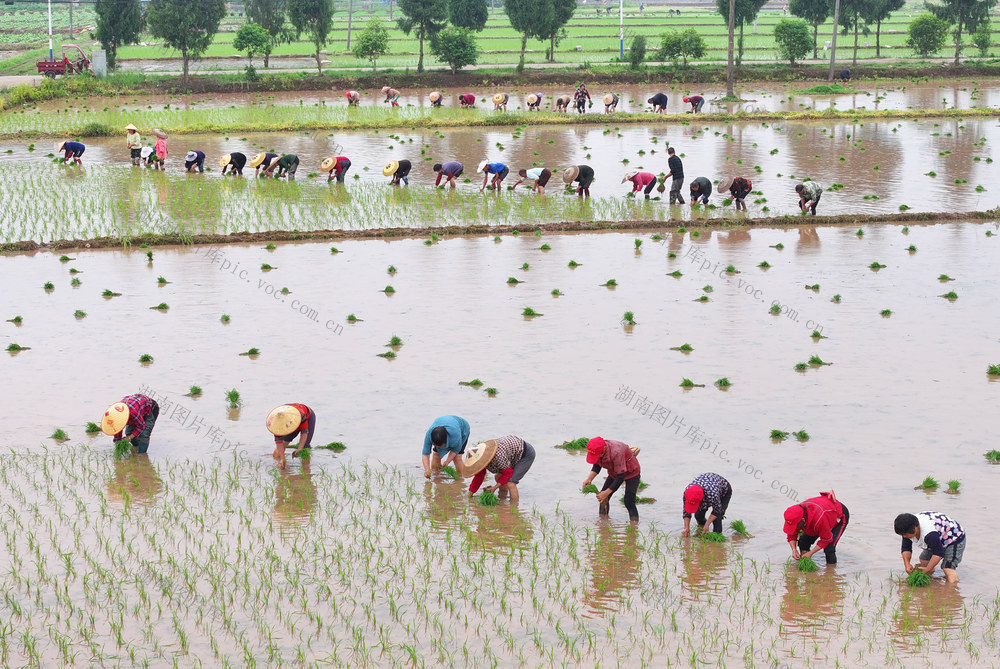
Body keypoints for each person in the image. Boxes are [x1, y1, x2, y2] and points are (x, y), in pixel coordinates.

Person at [894, 512, 965, 584]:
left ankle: (952, 591)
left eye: (905, 534)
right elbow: (906, 548)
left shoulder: (929, 533)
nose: (904, 536)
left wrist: (928, 569)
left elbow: (939, 553)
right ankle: (931, 582)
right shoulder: (906, 527)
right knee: (924, 560)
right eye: (903, 535)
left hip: (953, 538)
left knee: (948, 568)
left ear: (916, 528)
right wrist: (907, 564)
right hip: (938, 537)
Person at [581, 437, 641, 520]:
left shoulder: (616, 452)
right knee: (603, 499)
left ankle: (634, 526)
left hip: (632, 472)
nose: (597, 457)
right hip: (614, 472)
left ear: (604, 448)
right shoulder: (598, 450)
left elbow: (620, 477)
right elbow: (597, 465)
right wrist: (589, 479)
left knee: (629, 501)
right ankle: (603, 524)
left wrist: (606, 493)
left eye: (598, 455)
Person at [783, 490, 849, 565]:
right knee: (803, 542)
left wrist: (811, 553)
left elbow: (826, 539)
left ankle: (831, 572)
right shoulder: (796, 514)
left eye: (796, 525)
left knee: (829, 548)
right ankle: (806, 560)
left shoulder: (819, 520)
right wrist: (794, 550)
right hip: (820, 512)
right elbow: (791, 534)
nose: (795, 527)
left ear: (803, 520)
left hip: (839, 514)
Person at [465, 436, 535, 503]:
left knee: (511, 482)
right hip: (512, 454)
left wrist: (495, 487)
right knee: (498, 477)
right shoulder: (482, 459)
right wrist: (470, 493)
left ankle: (514, 508)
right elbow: (479, 476)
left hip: (525, 453)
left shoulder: (498, 456)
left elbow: (508, 473)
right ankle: (502, 499)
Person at [267, 404, 316, 470]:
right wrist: (282, 458)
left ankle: (306, 470)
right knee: (279, 451)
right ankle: (280, 466)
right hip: (289, 424)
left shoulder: (300, 414)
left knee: (305, 447)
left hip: (307, 418)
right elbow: (279, 442)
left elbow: (304, 433)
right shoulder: (275, 424)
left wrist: (300, 448)